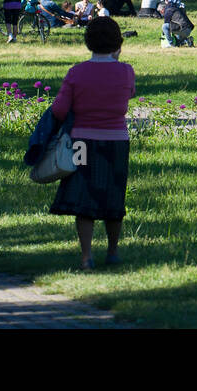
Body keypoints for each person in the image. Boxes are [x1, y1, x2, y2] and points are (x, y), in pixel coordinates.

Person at [50, 17, 133, 270]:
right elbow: (127, 96)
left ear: (88, 43)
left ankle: (86, 256)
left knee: (83, 195)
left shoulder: (76, 72)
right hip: (116, 140)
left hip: (82, 141)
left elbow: (60, 110)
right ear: (117, 43)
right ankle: (113, 250)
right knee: (114, 194)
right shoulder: (126, 71)